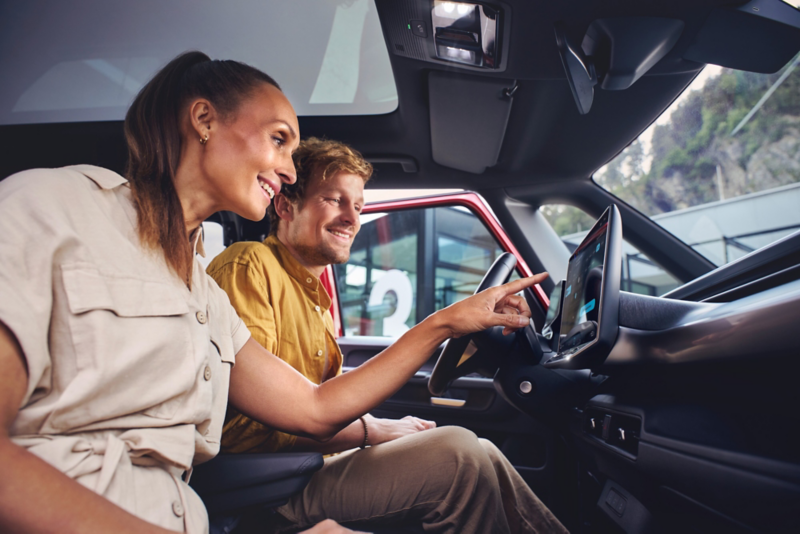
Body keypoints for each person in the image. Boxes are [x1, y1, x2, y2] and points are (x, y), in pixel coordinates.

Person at [0, 51, 546, 534]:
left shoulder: (201, 295)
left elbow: (312, 407)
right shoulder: (56, 206)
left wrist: (447, 322)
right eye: (279, 139)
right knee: (460, 461)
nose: (288, 170)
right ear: (204, 120)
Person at [206, 138, 568, 534]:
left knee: (485, 453)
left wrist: (378, 423)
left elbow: (320, 399)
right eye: (334, 200)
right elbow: (246, 426)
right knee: (460, 455)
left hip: (308, 468)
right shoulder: (249, 266)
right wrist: (370, 429)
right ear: (285, 206)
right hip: (270, 488)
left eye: (358, 206)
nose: (351, 217)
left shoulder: (316, 301)